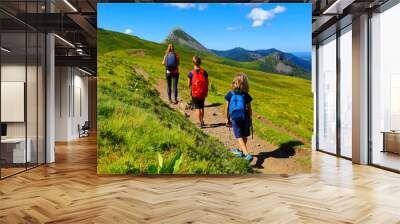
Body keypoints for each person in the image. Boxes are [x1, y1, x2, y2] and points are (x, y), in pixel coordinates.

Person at [224, 73, 253, 161]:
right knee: (244, 135)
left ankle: (246, 154)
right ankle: (241, 151)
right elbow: (250, 109)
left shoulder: (230, 94)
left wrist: (227, 119)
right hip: (245, 117)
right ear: (245, 84)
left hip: (235, 118)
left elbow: (226, 107)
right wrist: (250, 118)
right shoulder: (246, 95)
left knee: (239, 136)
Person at [188, 55, 209, 128]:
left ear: (193, 63)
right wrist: (206, 90)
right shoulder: (204, 72)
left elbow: (188, 84)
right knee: (202, 107)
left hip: (195, 93)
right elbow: (207, 82)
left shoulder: (191, 73)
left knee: (197, 108)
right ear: (200, 63)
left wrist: (191, 85)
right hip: (202, 92)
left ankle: (199, 122)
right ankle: (202, 120)